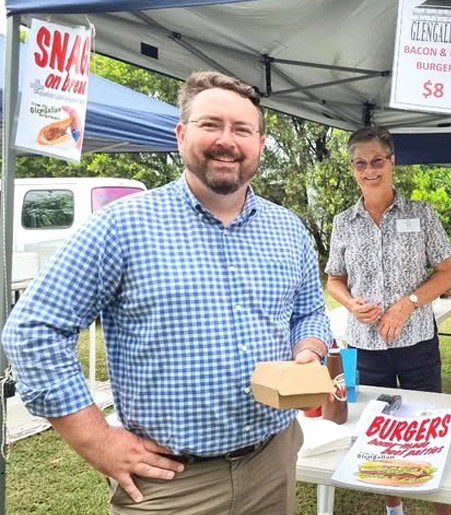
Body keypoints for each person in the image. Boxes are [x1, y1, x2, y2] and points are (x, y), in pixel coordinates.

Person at [2, 71, 331, 515]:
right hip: (172, 486)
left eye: (242, 129)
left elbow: (309, 312)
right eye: (210, 124)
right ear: (181, 134)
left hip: (272, 464)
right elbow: (33, 330)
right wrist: (97, 440)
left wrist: (309, 351)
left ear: (260, 142)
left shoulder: (288, 230)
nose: (227, 140)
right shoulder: (122, 226)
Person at [325, 126, 451, 515]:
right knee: (379, 429)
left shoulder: (421, 213)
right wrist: (350, 304)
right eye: (360, 163)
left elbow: (446, 273)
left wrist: (409, 302)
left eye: (377, 161)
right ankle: (393, 507)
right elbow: (334, 279)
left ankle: (441, 506)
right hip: (367, 346)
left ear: (392, 161)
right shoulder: (343, 223)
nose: (369, 170)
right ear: (352, 169)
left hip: (416, 340)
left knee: (430, 427)